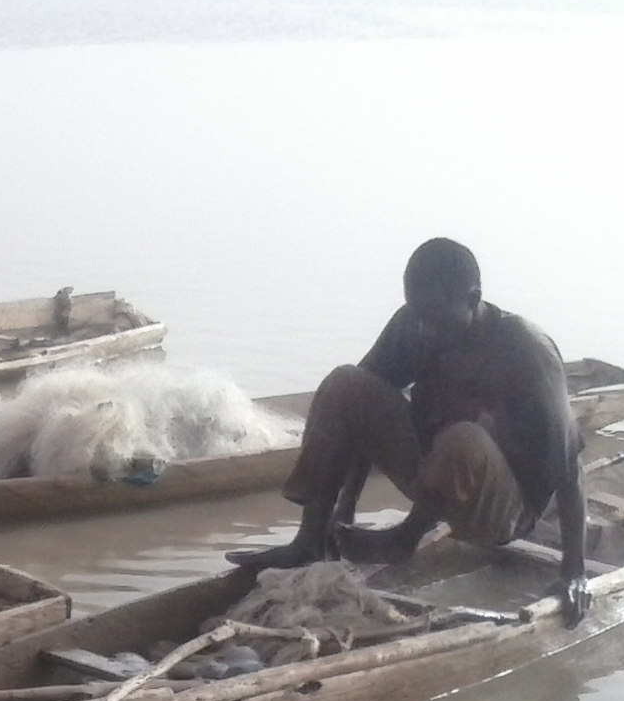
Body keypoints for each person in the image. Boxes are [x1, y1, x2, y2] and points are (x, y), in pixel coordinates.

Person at [229, 238, 590, 626]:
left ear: (473, 298)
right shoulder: (412, 326)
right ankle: (308, 541)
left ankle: (406, 538)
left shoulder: (525, 351)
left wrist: (575, 572)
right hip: (431, 474)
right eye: (418, 315)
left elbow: (570, 467)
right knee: (344, 383)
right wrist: (343, 511)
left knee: (463, 438)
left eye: (435, 318)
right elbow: (360, 413)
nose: (425, 330)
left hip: (501, 509)